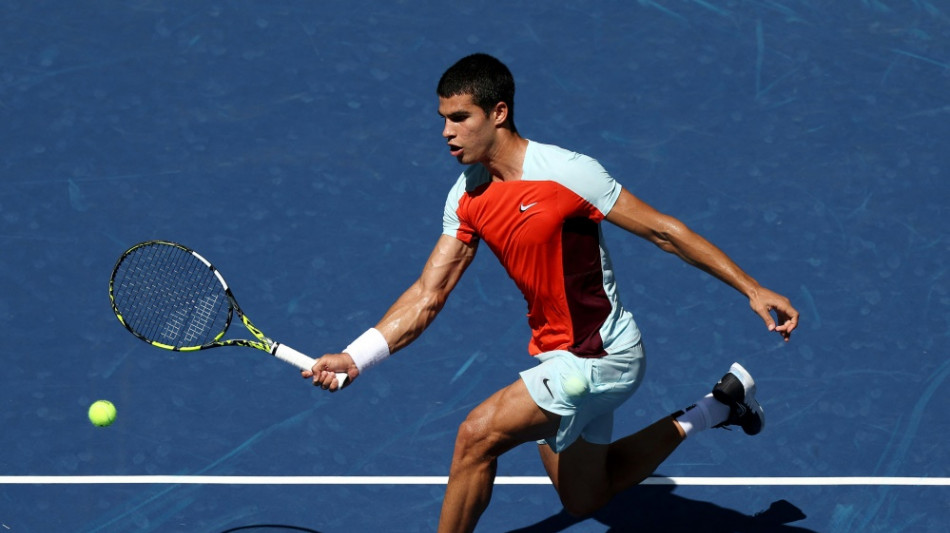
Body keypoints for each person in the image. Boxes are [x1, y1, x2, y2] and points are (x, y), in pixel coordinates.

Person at [302, 53, 799, 533]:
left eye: (459, 118)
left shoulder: (568, 172)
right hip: (557, 354)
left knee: (476, 437)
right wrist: (355, 357)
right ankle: (719, 406)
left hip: (600, 356)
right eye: (442, 119)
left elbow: (663, 232)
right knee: (586, 499)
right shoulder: (467, 196)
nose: (446, 132)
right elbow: (428, 294)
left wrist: (751, 289)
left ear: (499, 113)